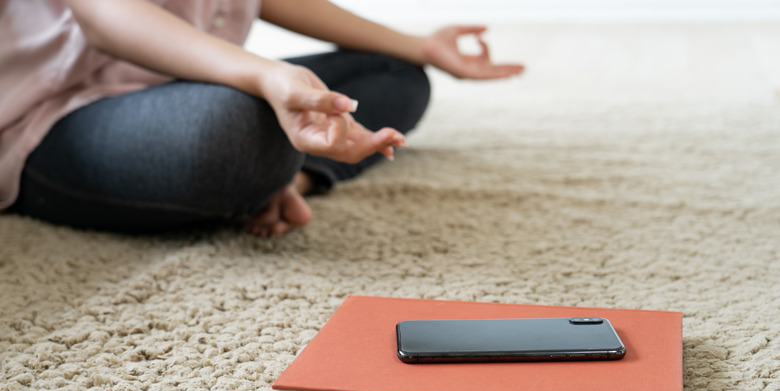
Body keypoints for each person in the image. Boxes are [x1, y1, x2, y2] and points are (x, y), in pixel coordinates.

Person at [0, 0, 523, 238]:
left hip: (189, 86)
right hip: (55, 117)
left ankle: (292, 177)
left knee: (394, 72)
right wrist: (266, 75)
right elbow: (105, 14)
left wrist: (420, 45)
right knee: (240, 127)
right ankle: (270, 171)